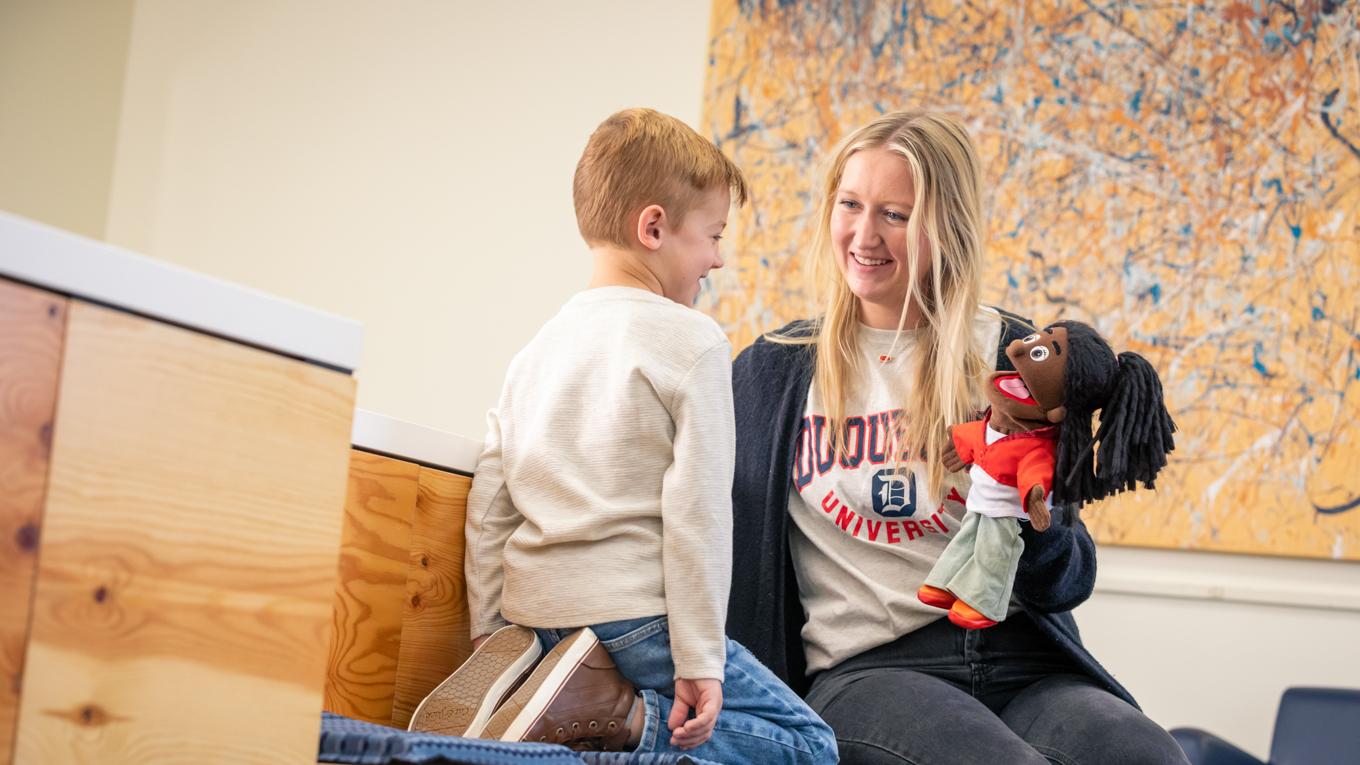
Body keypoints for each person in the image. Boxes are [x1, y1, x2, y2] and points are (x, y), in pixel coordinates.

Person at [725, 109, 1190, 764]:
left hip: (1024, 659)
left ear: (946, 226)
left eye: (895, 214)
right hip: (868, 669)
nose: (864, 233)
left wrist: (1043, 521)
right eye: (851, 204)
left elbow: (1069, 577)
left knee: (1149, 755)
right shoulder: (772, 370)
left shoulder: (1009, 351)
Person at [413, 107, 837, 764]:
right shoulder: (692, 341)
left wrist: (492, 629)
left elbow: (492, 495)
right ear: (654, 227)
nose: (717, 259)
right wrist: (699, 659)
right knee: (811, 746)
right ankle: (622, 713)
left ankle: (557, 700)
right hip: (634, 621)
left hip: (538, 618)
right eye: (712, 235)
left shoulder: (537, 349)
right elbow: (696, 514)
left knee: (579, 736)